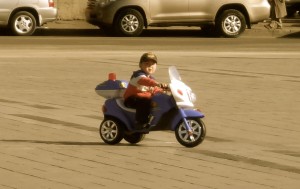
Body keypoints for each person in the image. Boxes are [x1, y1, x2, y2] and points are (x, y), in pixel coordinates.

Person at [123, 52, 166, 129]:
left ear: (156, 66)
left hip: (143, 99)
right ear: (140, 65)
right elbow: (144, 80)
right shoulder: (138, 75)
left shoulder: (152, 79)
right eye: (147, 64)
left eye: (152, 64)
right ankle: (140, 122)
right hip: (131, 99)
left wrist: (164, 90)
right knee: (145, 101)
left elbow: (155, 90)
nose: (150, 66)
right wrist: (157, 83)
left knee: (162, 99)